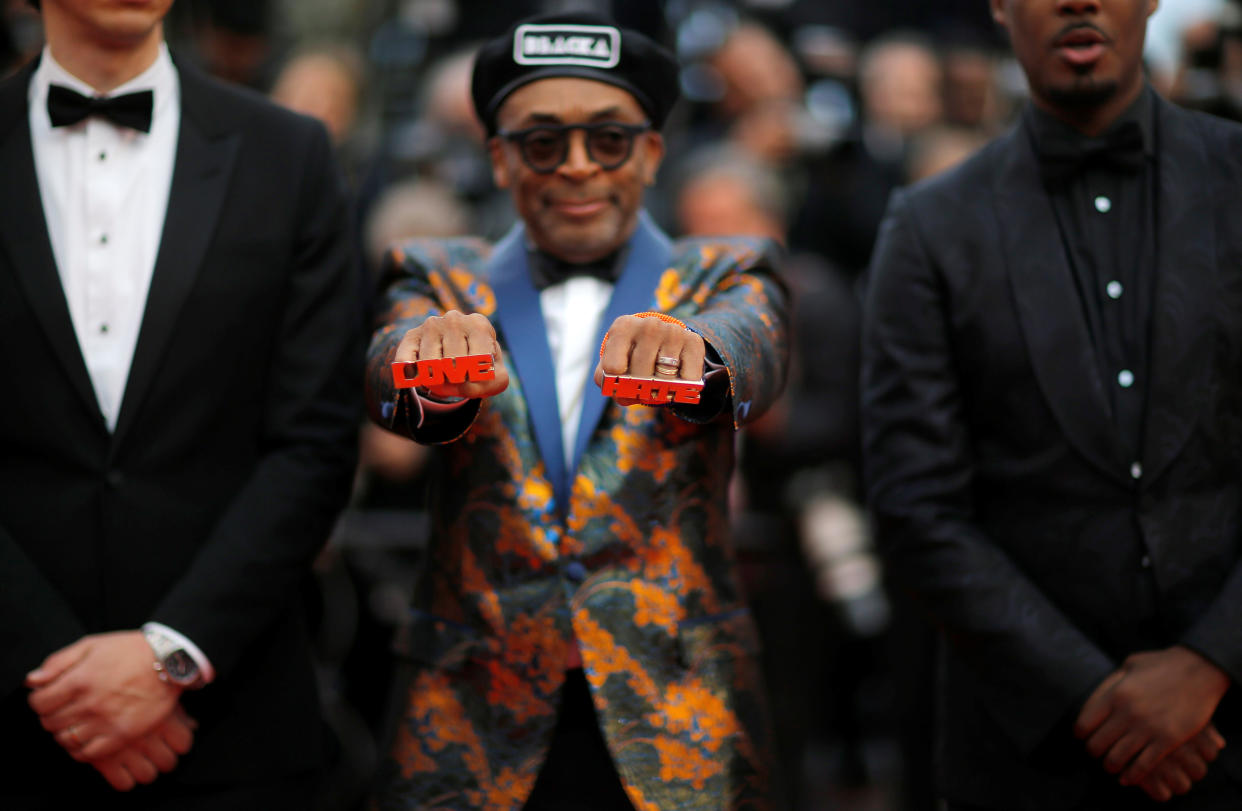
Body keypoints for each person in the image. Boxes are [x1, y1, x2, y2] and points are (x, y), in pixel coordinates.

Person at [365, 12, 788, 810]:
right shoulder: (439, 274)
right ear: (498, 159)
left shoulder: (724, 268)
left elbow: (754, 343)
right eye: (542, 142)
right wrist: (429, 367)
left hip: (678, 725)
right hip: (471, 726)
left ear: (653, 152)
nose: (578, 168)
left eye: (610, 139)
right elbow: (389, 368)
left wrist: (695, 354)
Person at [862, 0, 1242, 808]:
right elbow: (913, 502)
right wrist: (1092, 696)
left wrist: (1213, 658)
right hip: (1026, 752)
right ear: (999, 4)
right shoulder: (929, 226)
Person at [0, 0, 360, 807]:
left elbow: (317, 440)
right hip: (12, 721)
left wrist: (172, 653)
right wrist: (60, 674)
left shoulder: (289, 152)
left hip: (234, 721)